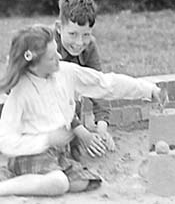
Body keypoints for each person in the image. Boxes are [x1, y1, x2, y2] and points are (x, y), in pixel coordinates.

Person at [0, 25, 165, 196]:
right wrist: (46, 139)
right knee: (59, 183)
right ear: (34, 64)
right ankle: (5, 187)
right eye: (51, 58)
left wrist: (148, 90)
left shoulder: (65, 72)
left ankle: (30, 181)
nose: (58, 57)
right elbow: (5, 139)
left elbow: (105, 83)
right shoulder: (21, 91)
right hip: (31, 155)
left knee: (84, 182)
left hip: (57, 154)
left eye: (56, 51)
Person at [55, 0, 113, 160]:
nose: (79, 42)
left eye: (86, 35)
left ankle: (73, 147)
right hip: (36, 107)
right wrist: (83, 132)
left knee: (76, 97)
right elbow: (55, 96)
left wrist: (101, 128)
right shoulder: (48, 47)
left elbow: (98, 84)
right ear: (59, 28)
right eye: (72, 34)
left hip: (67, 105)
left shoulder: (89, 47)